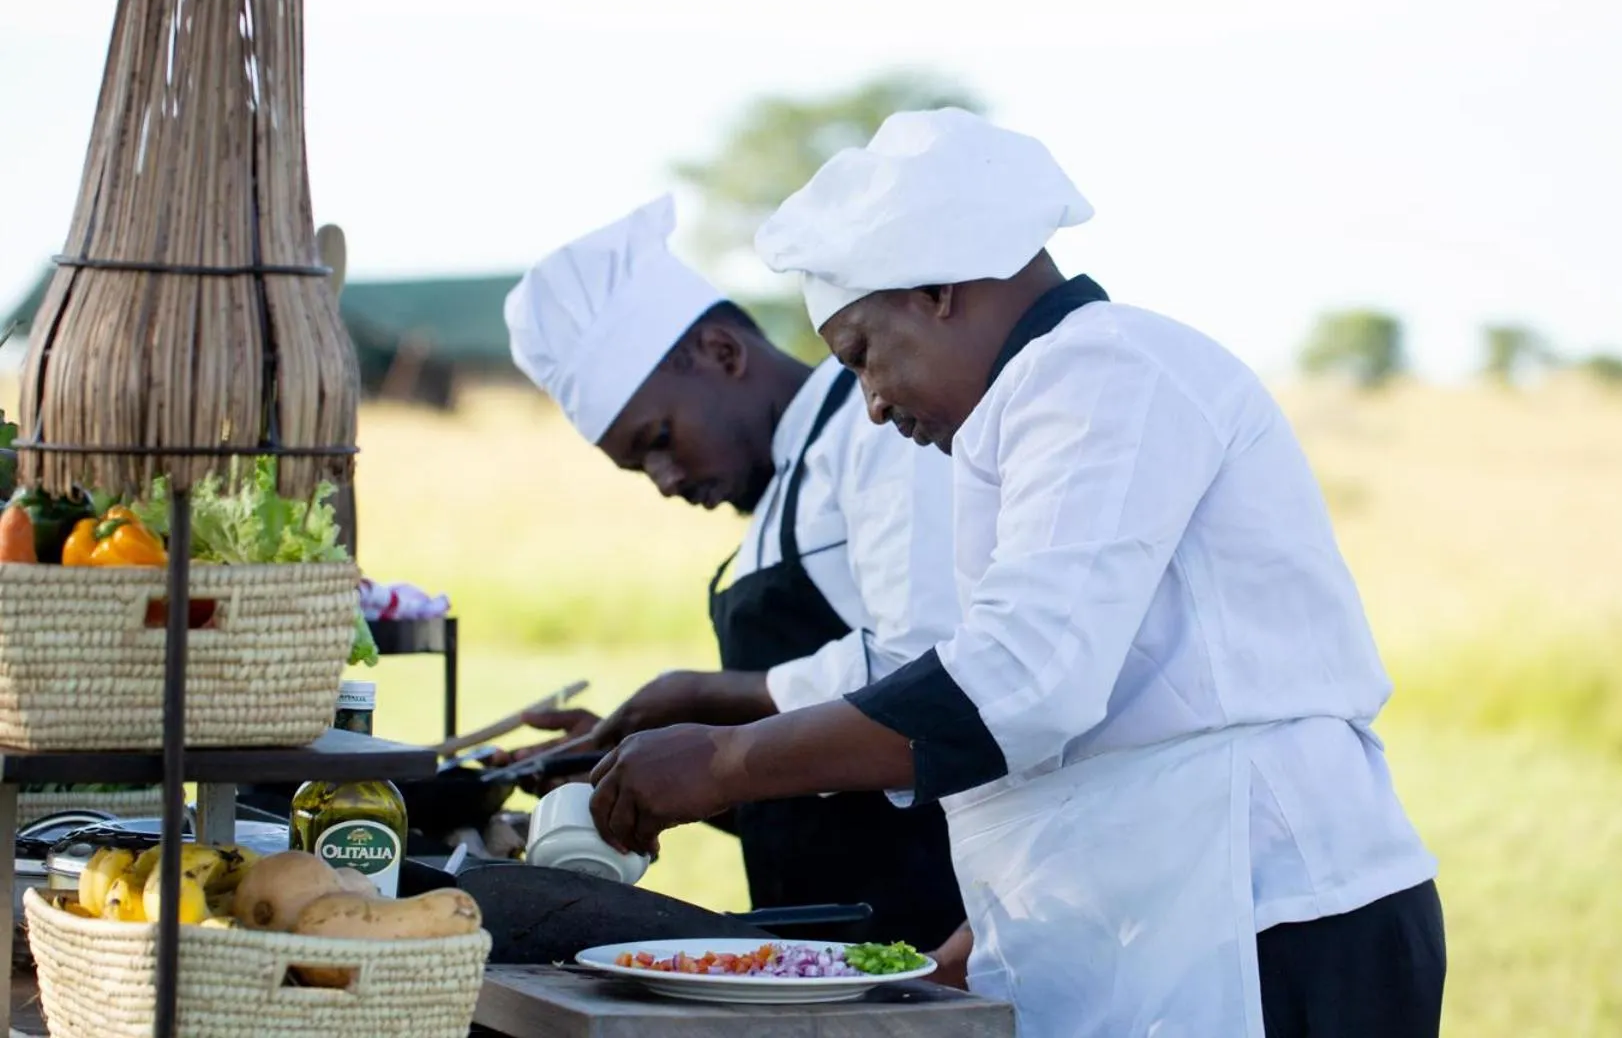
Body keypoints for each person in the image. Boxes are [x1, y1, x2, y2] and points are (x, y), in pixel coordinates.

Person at [582, 112, 1447, 1037]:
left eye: (864, 355)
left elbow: (1022, 680)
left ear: (939, 288)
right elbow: (1105, 715)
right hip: (1171, 914)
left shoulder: (1104, 366)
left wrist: (725, 761)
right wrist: (997, 919)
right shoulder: (1033, 406)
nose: (869, 404)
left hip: (1280, 914)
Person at [498, 194, 967, 951]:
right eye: (639, 467)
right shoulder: (775, 499)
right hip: (818, 937)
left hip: (927, 932)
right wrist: (633, 774)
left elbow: (927, 677)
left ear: (722, 353)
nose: (665, 481)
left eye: (659, 439)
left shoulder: (878, 426)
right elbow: (802, 791)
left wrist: (701, 697)